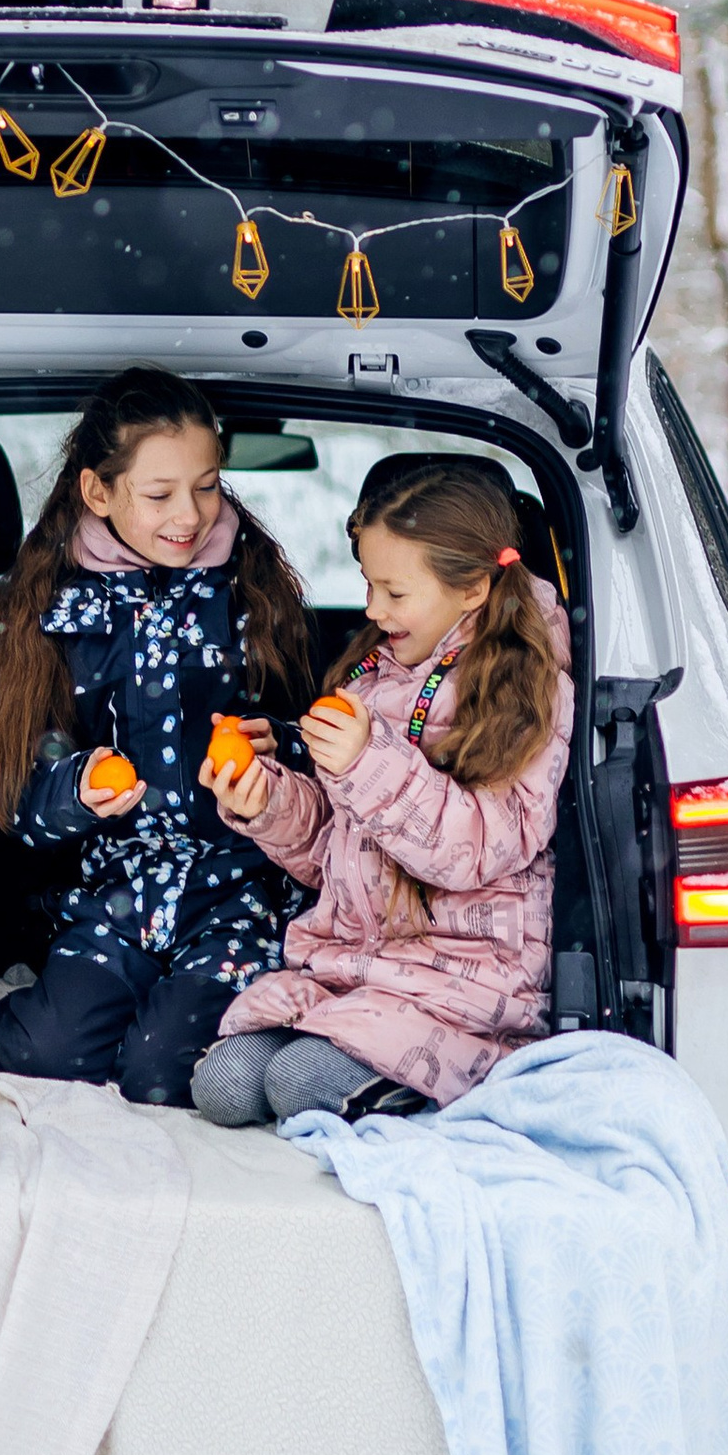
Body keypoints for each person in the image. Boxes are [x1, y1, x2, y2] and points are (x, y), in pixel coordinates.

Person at [0, 369, 314, 1104]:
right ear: (98, 493)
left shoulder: (255, 594)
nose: (189, 514)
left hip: (238, 896)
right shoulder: (48, 613)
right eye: (159, 495)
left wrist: (282, 748)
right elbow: (11, 798)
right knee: (45, 1054)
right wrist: (79, 793)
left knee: (161, 1072)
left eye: (208, 486)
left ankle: (256, 1014)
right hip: (113, 896)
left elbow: (330, 753)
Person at [191, 454, 573, 1123]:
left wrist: (368, 760)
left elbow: (476, 850)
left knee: (298, 1082)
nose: (372, 609)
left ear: (473, 589)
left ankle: (436, 1086)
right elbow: (335, 853)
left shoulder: (528, 691)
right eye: (368, 584)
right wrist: (270, 801)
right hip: (353, 973)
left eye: (394, 593)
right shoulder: (373, 679)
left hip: (461, 992)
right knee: (222, 1086)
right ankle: (355, 1070)